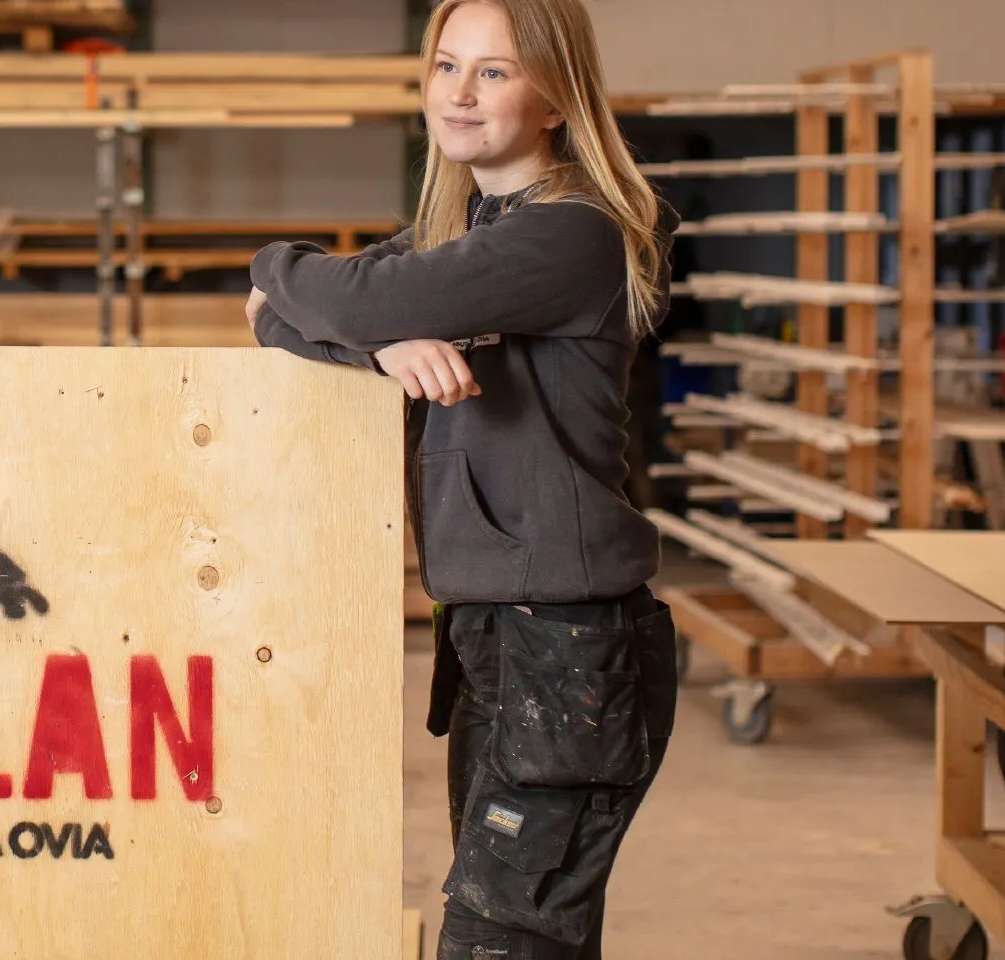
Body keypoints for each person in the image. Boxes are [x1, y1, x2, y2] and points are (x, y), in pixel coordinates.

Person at [244, 1, 680, 957]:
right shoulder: (464, 228)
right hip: (496, 631)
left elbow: (326, 294)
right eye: (448, 65)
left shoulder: (572, 234)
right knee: (525, 938)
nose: (461, 92)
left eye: (496, 71)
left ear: (558, 94)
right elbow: (284, 320)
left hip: (571, 645)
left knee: (497, 941)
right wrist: (384, 351)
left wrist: (285, 270)